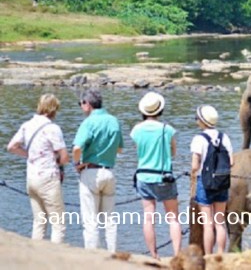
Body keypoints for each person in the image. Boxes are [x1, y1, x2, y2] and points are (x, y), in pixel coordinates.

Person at [7, 94, 68, 243]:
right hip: (48, 178)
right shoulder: (52, 128)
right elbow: (64, 157)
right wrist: (60, 161)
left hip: (31, 178)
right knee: (58, 223)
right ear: (54, 109)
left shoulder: (27, 125)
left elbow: (11, 147)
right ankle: (56, 259)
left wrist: (29, 155)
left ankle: (36, 257)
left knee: (39, 221)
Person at [131, 91, 181, 259]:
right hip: (164, 177)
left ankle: (153, 254)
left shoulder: (136, 129)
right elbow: (173, 152)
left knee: (148, 218)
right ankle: (176, 254)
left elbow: (138, 151)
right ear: (160, 110)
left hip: (143, 176)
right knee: (173, 218)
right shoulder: (167, 129)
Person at [73, 89, 123, 252]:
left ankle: (93, 256)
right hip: (109, 172)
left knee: (90, 220)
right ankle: (113, 252)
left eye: (81, 103)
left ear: (87, 104)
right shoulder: (114, 120)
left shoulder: (88, 122)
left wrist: (76, 164)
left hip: (90, 172)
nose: (81, 107)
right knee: (110, 219)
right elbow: (120, 149)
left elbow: (77, 148)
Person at [190, 105, 233, 254]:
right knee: (219, 222)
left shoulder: (199, 139)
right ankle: (221, 253)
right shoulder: (224, 137)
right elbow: (231, 162)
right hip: (222, 183)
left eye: (197, 118)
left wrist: (194, 172)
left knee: (208, 224)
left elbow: (195, 165)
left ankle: (209, 256)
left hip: (205, 183)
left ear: (202, 121)